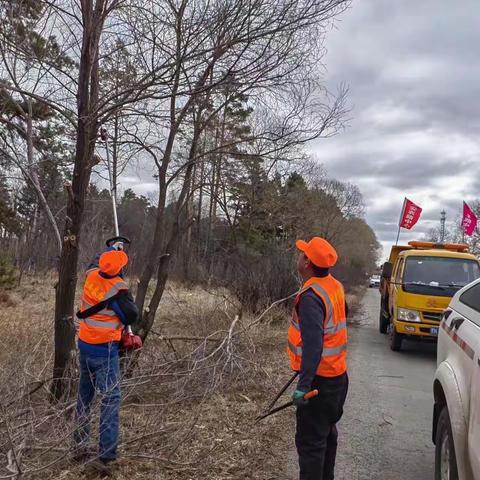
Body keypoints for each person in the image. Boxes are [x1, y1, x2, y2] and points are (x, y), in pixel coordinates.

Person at [288, 237, 349, 480]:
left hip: (319, 383)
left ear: (307, 263)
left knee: (311, 445)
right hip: (338, 378)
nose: (299, 257)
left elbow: (314, 346)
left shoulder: (312, 297)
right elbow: (343, 314)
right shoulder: (334, 285)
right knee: (326, 436)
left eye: (302, 254)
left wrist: (304, 386)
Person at [73, 249, 138, 465]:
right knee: (110, 400)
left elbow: (96, 260)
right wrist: (125, 292)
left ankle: (79, 447)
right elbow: (131, 315)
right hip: (105, 351)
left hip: (84, 346)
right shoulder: (119, 291)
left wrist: (112, 249)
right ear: (119, 268)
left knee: (84, 398)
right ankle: (107, 455)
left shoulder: (91, 274)